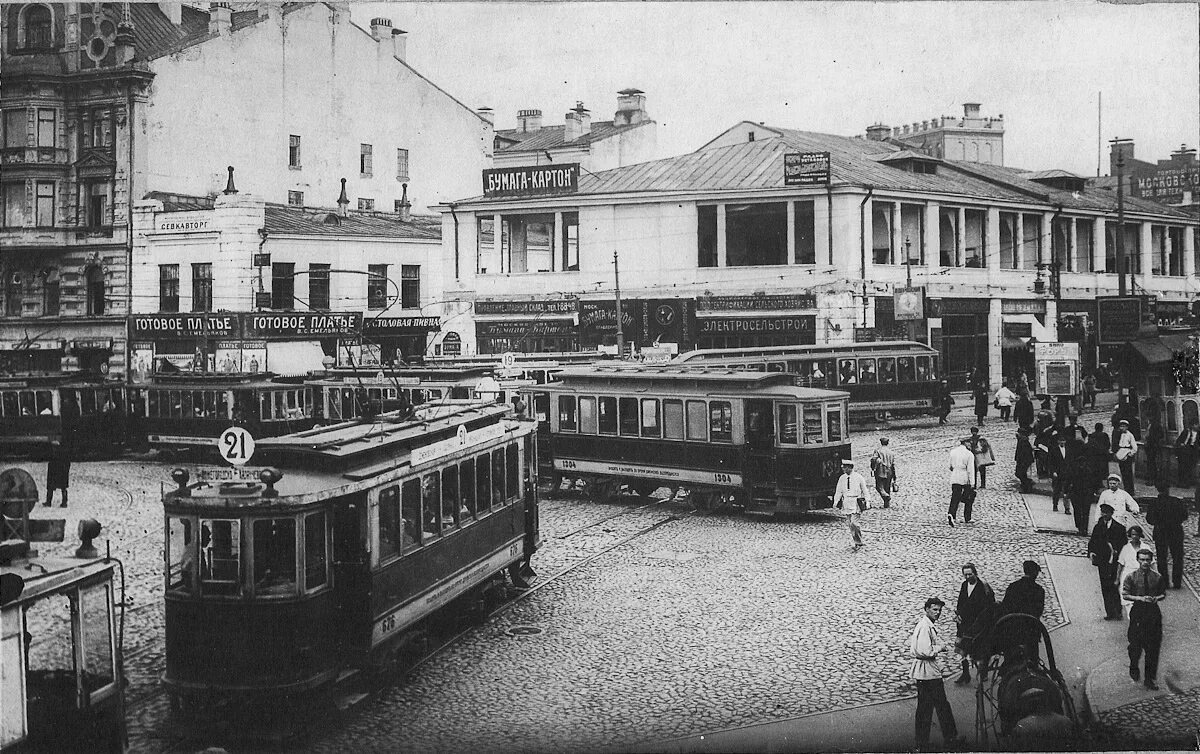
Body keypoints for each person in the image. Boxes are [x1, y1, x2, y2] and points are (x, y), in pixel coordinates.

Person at [909, 597, 960, 752]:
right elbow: (925, 651)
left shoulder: (925, 625)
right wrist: (940, 648)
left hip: (924, 671)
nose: (938, 613)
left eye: (939, 610)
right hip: (928, 671)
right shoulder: (925, 627)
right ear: (927, 609)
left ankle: (922, 742)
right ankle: (949, 738)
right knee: (940, 705)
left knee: (926, 707)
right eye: (934, 609)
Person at [1121, 548, 1166, 691]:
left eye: (1147, 560)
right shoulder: (1131, 577)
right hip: (1138, 613)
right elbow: (1125, 594)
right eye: (1142, 559)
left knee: (1153, 648)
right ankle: (1134, 665)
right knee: (1135, 645)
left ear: (1151, 560)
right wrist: (1140, 598)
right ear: (1138, 560)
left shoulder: (1157, 577)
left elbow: (1163, 594)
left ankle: (1149, 679)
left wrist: (1156, 598)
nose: (1145, 562)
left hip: (1153, 613)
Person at [953, 563, 995, 685]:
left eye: (970, 574)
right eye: (965, 575)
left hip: (979, 624)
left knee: (979, 649)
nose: (967, 577)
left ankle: (983, 672)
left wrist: (983, 621)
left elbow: (989, 606)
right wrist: (959, 614)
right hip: (964, 623)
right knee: (962, 648)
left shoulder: (983, 587)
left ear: (975, 573)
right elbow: (961, 601)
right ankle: (965, 674)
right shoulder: (964, 585)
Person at [1089, 502, 1128, 620]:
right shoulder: (1098, 526)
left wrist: (1118, 553)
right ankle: (1109, 612)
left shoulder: (1119, 528)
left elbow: (1124, 545)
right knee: (1105, 586)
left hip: (1115, 561)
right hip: (1102, 561)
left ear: (1111, 514)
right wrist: (1091, 552)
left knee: (1114, 585)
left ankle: (1118, 611)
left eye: (1106, 513)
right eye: (1103, 512)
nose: (1104, 515)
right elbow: (1093, 541)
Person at [1147, 481, 1187, 589]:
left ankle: (1164, 582)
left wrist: (1159, 522)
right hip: (1176, 532)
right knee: (1178, 557)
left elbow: (1149, 519)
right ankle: (1177, 582)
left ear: (1157, 490)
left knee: (1161, 557)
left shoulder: (1154, 503)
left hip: (1161, 532)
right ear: (1168, 489)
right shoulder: (1177, 501)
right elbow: (1184, 516)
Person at [832, 460, 869, 550]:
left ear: (850, 467)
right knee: (850, 524)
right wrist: (836, 501)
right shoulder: (842, 478)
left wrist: (868, 501)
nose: (843, 469)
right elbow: (839, 490)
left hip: (856, 502)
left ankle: (858, 541)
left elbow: (865, 490)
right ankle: (857, 541)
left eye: (845, 467)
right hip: (847, 502)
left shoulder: (858, 477)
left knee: (854, 523)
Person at [948, 438, 975, 526]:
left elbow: (950, 466)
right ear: (966, 444)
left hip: (955, 476)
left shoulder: (953, 452)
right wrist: (972, 482)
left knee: (955, 497)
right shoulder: (969, 454)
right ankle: (967, 517)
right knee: (968, 497)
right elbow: (970, 469)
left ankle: (952, 514)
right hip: (964, 477)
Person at [1046, 435, 1072, 515]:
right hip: (1058, 473)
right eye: (1061, 441)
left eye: (1063, 441)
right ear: (1058, 442)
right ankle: (1055, 505)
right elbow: (1050, 463)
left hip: (1066, 473)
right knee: (1056, 490)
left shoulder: (1068, 450)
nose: (1062, 442)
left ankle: (1067, 508)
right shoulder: (1054, 450)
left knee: (1066, 491)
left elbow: (1070, 462)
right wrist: (1053, 472)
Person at [869, 437, 897, 509]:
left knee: (879, 486)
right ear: (888, 443)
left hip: (880, 470)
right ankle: (886, 504)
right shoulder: (891, 452)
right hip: (889, 471)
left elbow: (873, 459)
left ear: (881, 443)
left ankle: (885, 495)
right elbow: (893, 464)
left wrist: (872, 468)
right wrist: (894, 476)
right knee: (887, 487)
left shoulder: (878, 451)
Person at [1114, 419, 1138, 497]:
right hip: (1121, 452)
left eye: (1124, 426)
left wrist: (1130, 454)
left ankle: (1130, 490)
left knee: (1128, 473)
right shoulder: (1119, 434)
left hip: (1126, 453)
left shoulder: (1130, 435)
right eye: (1121, 426)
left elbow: (1135, 447)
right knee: (1123, 472)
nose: (1122, 428)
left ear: (1127, 427)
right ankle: (1126, 488)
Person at [43, 440, 70, 508]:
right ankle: (63, 502)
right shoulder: (62, 454)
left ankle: (49, 502)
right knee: (62, 488)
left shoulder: (55, 454)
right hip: (60, 474)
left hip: (56, 473)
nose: (53, 448)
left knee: (53, 487)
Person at [1174, 420, 1200, 487]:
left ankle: (1187, 482)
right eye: (1196, 424)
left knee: (1189, 467)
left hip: (1192, 451)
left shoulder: (1198, 433)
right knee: (1182, 467)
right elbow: (1178, 441)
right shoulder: (1186, 431)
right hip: (1184, 451)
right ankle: (1181, 482)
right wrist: (1181, 444)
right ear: (1192, 425)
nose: (1198, 426)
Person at [1015, 427, 1036, 493]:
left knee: (1020, 474)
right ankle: (1026, 486)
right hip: (1022, 460)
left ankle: (1028, 484)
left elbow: (1024, 452)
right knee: (1021, 474)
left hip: (1024, 461)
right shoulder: (1021, 440)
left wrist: (1021, 461)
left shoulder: (1023, 441)